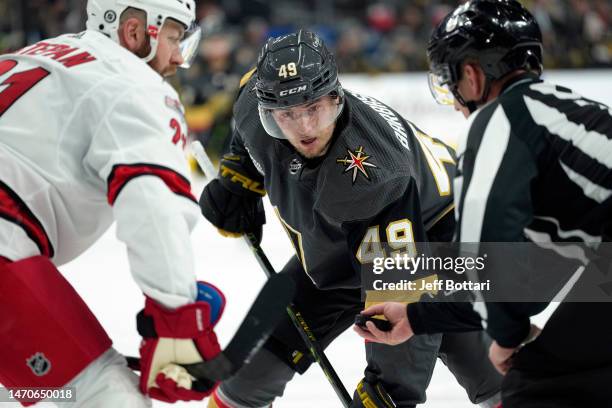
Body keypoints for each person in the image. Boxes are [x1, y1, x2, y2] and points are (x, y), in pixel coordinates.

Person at [198, 30, 502, 408]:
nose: (305, 127)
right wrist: (237, 184)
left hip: (438, 235)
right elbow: (246, 142)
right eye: (288, 114)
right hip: (342, 249)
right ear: (265, 110)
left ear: (335, 96)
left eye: (314, 108)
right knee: (246, 375)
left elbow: (403, 289)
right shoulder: (250, 103)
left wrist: (390, 390)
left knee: (483, 366)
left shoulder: (375, 178)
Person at [355, 1, 612, 407]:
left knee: (538, 389)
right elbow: (535, 272)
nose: (455, 100)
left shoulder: (498, 120)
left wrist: (507, 339)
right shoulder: (569, 113)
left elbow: (486, 256)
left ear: (471, 75)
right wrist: (419, 317)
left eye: (449, 78)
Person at [0, 0, 226, 406]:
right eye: (174, 37)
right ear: (135, 32)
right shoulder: (133, 82)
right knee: (105, 394)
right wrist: (176, 319)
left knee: (18, 388)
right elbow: (153, 202)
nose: (179, 56)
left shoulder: (36, 55)